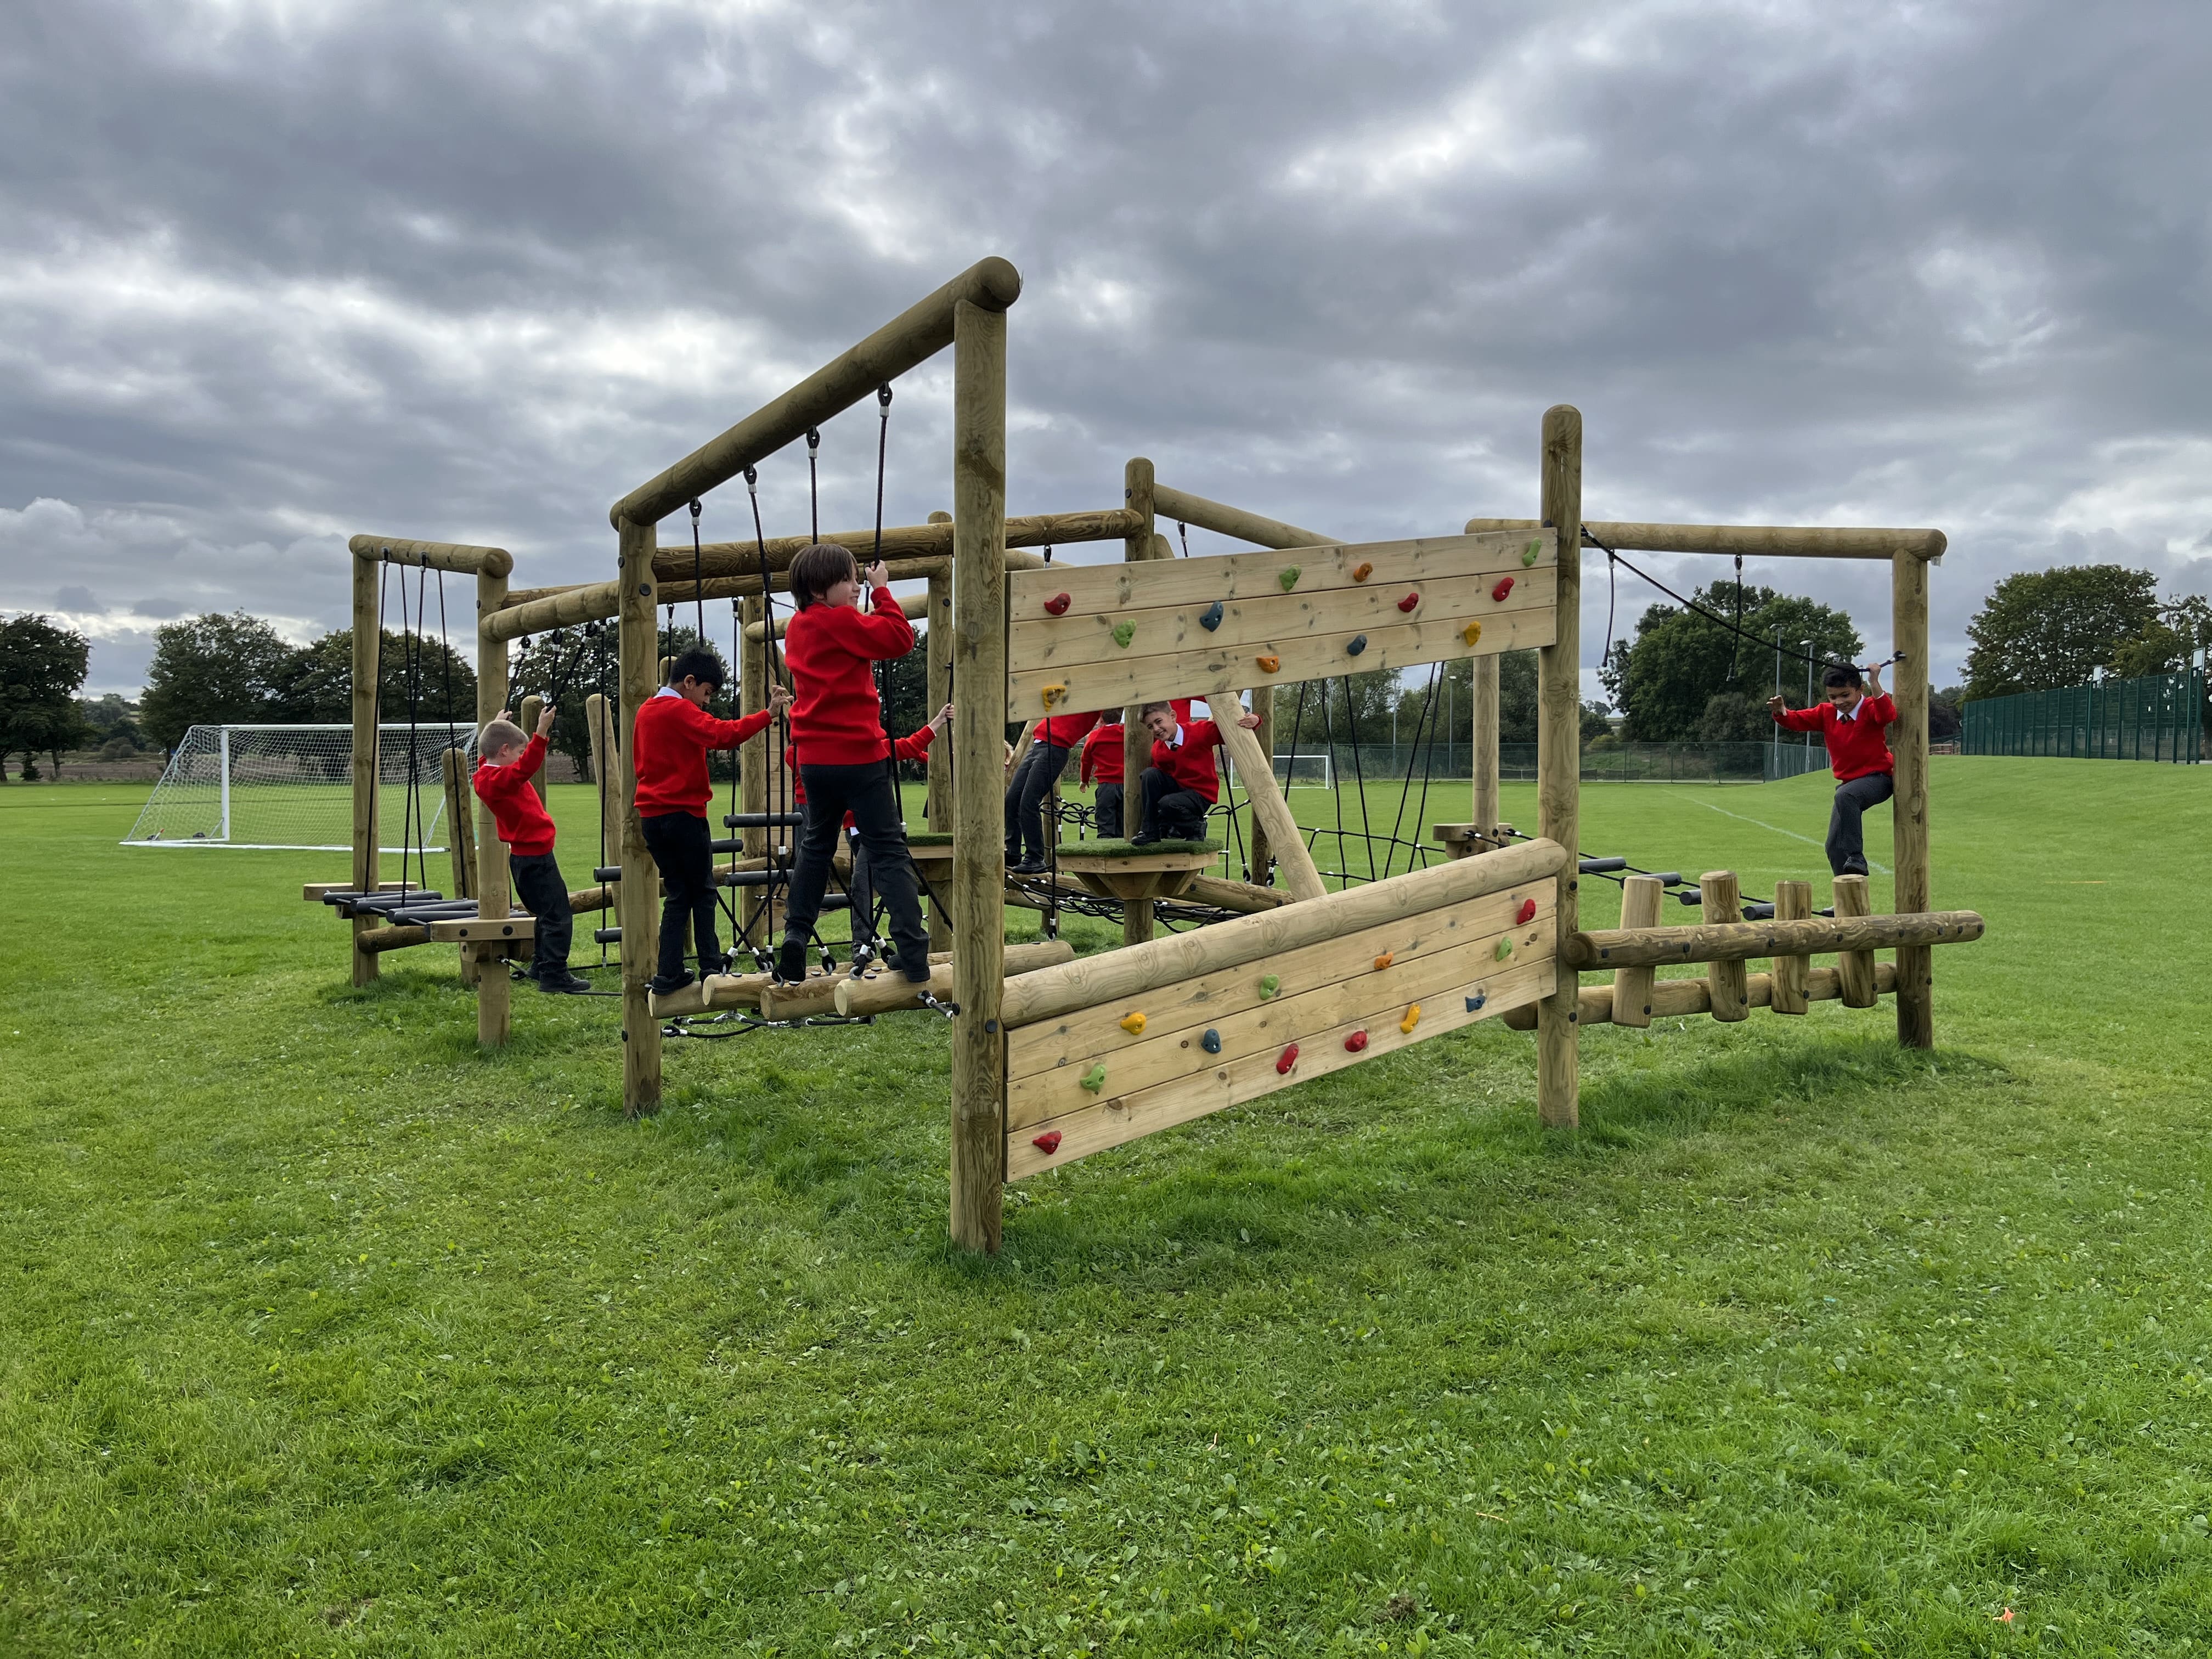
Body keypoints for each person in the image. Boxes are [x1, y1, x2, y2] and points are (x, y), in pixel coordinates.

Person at [774, 543, 932, 986]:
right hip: (860, 756)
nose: (857, 584)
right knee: (887, 849)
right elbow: (900, 640)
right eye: (849, 580)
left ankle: (796, 934)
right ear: (823, 589)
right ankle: (913, 952)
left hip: (814, 762)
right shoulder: (842, 620)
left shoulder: (799, 628)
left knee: (816, 847)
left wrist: (861, 605)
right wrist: (883, 593)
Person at [633, 646, 790, 995]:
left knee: (677, 895)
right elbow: (724, 735)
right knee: (703, 891)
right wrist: (768, 713)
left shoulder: (646, 711)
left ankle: (668, 972)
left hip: (652, 818)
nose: (706, 702)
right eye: (706, 693)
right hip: (684, 815)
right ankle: (710, 966)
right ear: (689, 682)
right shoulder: (677, 709)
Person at [788, 702, 951, 962]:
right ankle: (866, 942)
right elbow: (908, 746)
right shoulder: (869, 752)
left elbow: (910, 746)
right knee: (867, 879)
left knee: (865, 877)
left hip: (856, 829)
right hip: (865, 830)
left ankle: (863, 941)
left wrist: (938, 723)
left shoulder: (824, 752)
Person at [472, 704, 590, 993]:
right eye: (517, 752)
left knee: (543, 915)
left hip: (522, 859)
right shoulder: (502, 779)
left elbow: (485, 759)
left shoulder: (485, 777)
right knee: (559, 916)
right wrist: (541, 731)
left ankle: (541, 965)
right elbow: (528, 767)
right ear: (504, 751)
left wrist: (496, 724)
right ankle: (555, 975)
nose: (521, 757)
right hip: (537, 859)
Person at [1769, 661, 1897, 877]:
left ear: (1860, 690)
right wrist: (1782, 712)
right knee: (1834, 847)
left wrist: (1875, 682)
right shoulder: (1826, 713)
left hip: (1879, 779)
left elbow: (1887, 715)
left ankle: (1857, 856)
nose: (1839, 702)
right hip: (1849, 786)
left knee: (1845, 796)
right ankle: (1847, 898)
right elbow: (1798, 720)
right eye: (1833, 697)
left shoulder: (1870, 708)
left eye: (1845, 695)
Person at [1131, 697, 1261, 845]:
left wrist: (1256, 720)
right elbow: (1160, 781)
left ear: (1173, 716)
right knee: (1149, 775)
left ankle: (1196, 828)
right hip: (1180, 791)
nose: (1156, 729)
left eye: (1159, 722)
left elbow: (1232, 729)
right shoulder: (1158, 750)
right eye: (1150, 727)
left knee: (1168, 803)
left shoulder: (1200, 731)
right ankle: (1150, 831)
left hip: (1201, 793)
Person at [1005, 707, 1101, 873]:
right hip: (1037, 744)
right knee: (1011, 799)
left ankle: (1035, 857)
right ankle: (1013, 852)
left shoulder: (1092, 701)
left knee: (1028, 802)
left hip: (1055, 747)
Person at [1079, 718, 1126, 838]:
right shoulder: (1127, 732)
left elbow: (1086, 759)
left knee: (1105, 827)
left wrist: (1085, 779)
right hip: (1127, 785)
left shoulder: (1095, 736)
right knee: (1124, 828)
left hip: (1106, 785)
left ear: (1101, 719)